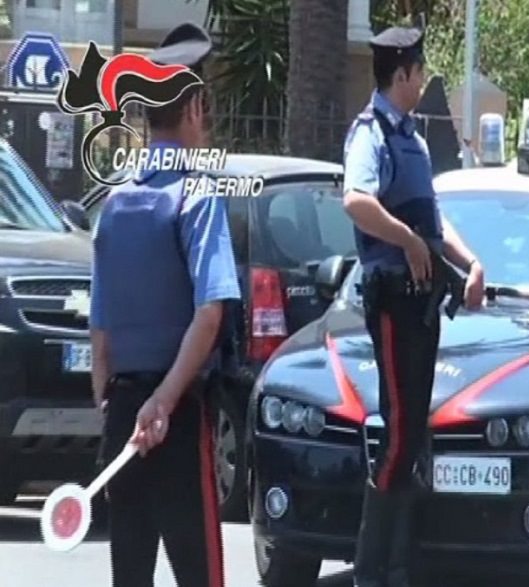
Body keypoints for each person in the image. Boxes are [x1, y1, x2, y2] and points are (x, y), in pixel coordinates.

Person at [89, 22, 240, 587]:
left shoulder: (116, 203)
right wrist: (164, 399)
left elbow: (100, 332)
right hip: (174, 417)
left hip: (124, 418)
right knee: (200, 572)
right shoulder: (197, 196)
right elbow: (210, 312)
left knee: (130, 573)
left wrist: (116, 407)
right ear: (196, 108)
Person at [342, 25, 485, 587]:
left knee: (412, 433)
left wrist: (470, 260)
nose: (423, 80)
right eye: (419, 71)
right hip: (394, 300)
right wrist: (405, 240)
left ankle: (397, 565)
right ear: (401, 75)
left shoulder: (413, 139)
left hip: (422, 302)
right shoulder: (370, 133)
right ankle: (370, 570)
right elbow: (355, 199)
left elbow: (432, 218)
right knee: (401, 432)